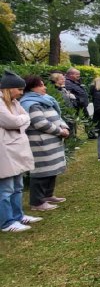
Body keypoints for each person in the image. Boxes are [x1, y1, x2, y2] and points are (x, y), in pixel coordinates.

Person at [20, 76, 69, 211]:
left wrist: (65, 127)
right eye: (41, 85)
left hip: (52, 141)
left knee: (51, 170)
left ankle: (48, 195)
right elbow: (40, 123)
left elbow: (57, 117)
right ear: (31, 88)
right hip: (40, 143)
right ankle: (37, 202)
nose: (45, 87)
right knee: (42, 171)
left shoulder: (45, 100)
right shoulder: (31, 104)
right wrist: (60, 131)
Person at [0, 71, 37, 232]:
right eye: (19, 89)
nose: (22, 93)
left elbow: (25, 118)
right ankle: (7, 222)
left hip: (16, 148)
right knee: (6, 188)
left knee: (17, 186)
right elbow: (11, 121)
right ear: (9, 88)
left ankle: (18, 215)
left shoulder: (14, 103)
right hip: (5, 150)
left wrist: (21, 121)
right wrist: (22, 121)